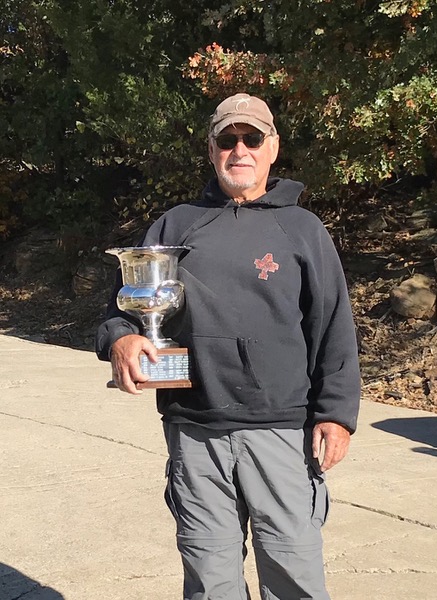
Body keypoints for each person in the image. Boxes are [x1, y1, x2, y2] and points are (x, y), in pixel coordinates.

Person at [96, 93, 361, 600]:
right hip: (195, 432)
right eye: (228, 139)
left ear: (272, 147)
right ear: (211, 149)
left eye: (252, 138)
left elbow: (333, 327)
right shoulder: (176, 224)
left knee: (295, 577)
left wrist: (337, 414)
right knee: (210, 582)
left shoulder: (303, 229)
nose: (240, 150)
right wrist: (122, 338)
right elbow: (122, 306)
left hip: (283, 432)